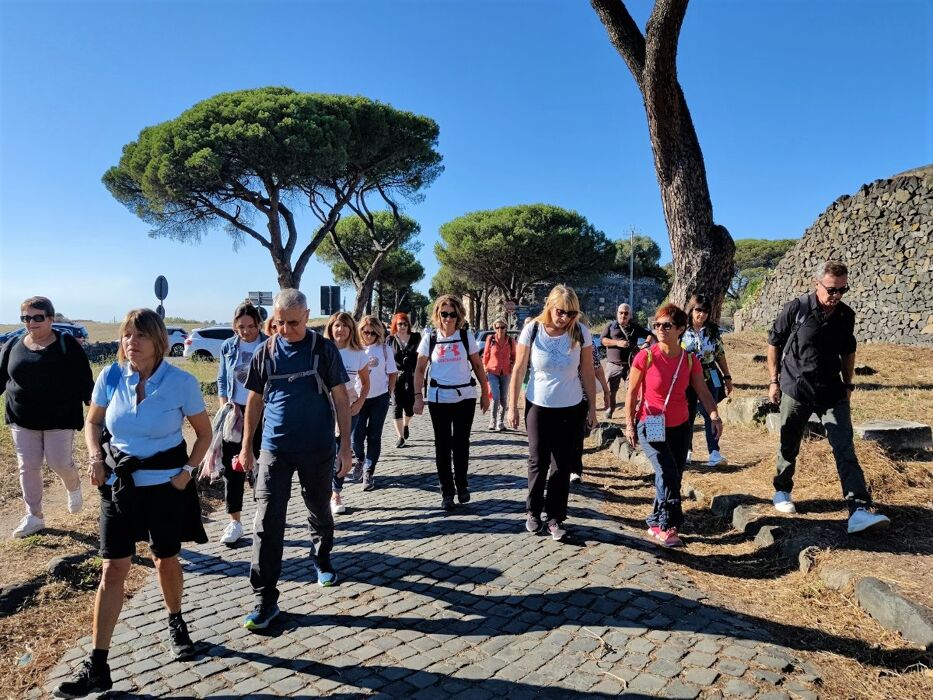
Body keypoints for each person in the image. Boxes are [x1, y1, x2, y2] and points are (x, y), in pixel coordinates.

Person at [55, 309, 211, 697]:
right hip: (118, 486)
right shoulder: (110, 376)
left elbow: (205, 434)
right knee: (112, 569)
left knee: (165, 560)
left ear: (158, 341)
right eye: (127, 334)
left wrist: (186, 472)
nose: (131, 341)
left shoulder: (181, 382)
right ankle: (98, 665)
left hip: (165, 488)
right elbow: (93, 422)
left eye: (140, 335)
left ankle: (176, 620)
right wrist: (95, 457)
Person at [238, 290, 353, 631]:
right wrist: (247, 446)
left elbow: (341, 399)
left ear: (307, 316)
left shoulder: (323, 350)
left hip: (317, 448)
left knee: (319, 509)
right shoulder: (265, 352)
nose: (285, 330)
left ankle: (321, 558)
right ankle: (265, 599)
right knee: (267, 520)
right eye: (279, 323)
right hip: (275, 449)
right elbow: (254, 401)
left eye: (293, 323)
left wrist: (346, 447)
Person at [767, 261, 890, 534]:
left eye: (842, 290)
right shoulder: (797, 308)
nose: (836, 295)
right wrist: (774, 381)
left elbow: (848, 351)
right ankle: (782, 490)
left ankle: (858, 509)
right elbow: (774, 342)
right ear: (817, 284)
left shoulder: (845, 315)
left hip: (832, 391)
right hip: (797, 388)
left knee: (844, 447)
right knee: (789, 442)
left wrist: (849, 384)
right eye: (832, 289)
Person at [624, 303, 722, 548]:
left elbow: (703, 392)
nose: (660, 329)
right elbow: (632, 393)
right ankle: (669, 525)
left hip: (680, 425)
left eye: (666, 325)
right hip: (651, 422)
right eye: (656, 325)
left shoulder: (689, 360)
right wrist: (629, 424)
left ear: (680, 329)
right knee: (666, 471)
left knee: (673, 475)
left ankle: (655, 520)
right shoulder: (645, 356)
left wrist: (714, 415)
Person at [508, 285, 597, 541]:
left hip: (571, 406)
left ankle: (555, 517)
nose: (565, 318)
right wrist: (512, 406)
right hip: (538, 405)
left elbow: (587, 372)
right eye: (561, 312)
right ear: (550, 307)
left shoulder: (581, 332)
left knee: (562, 465)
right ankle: (533, 511)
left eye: (572, 313)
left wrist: (592, 408)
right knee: (538, 460)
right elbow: (519, 369)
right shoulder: (533, 330)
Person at [0, 296, 93, 539]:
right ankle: (34, 516)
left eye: (37, 317)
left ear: (50, 318)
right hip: (21, 417)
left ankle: (73, 486)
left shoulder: (66, 344)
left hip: (59, 418)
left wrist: (94, 407)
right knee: (28, 466)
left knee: (59, 463)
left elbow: (84, 378)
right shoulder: (13, 344)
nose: (31, 322)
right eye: (26, 318)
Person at [414, 295, 490, 511]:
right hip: (439, 398)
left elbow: (478, 365)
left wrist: (485, 392)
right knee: (442, 445)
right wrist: (418, 396)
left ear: (459, 316)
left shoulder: (466, 336)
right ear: (438, 315)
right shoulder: (430, 338)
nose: (448, 318)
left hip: (465, 397)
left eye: (452, 314)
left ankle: (462, 484)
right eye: (444, 314)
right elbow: (419, 369)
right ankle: (447, 492)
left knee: (461, 443)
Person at [215, 302, 268, 546]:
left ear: (258, 324)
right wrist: (225, 407)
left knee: (261, 464)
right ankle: (234, 521)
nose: (246, 331)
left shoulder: (269, 344)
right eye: (241, 327)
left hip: (263, 412)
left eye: (251, 326)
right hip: (235, 413)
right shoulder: (228, 346)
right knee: (232, 467)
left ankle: (262, 512)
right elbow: (222, 379)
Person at [324, 312, 370, 514]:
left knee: (341, 449)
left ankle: (336, 493)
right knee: (323, 450)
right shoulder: (322, 350)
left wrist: (359, 403)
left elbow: (366, 383)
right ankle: (321, 490)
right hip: (323, 407)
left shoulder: (358, 353)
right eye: (336, 325)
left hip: (348, 407)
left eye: (345, 326)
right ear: (330, 328)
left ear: (351, 330)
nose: (340, 329)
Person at [682, 295, 734, 467]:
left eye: (705, 311)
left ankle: (714, 452)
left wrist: (727, 376)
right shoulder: (682, 329)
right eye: (698, 310)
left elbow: (719, 353)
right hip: (687, 375)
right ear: (691, 310)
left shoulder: (712, 330)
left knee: (711, 412)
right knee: (687, 414)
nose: (702, 314)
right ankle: (686, 450)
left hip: (710, 373)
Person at [353, 315, 398, 491]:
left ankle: (369, 472)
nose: (369, 335)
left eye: (373, 333)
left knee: (374, 436)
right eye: (366, 332)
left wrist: (389, 392)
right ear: (360, 331)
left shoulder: (385, 349)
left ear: (378, 333)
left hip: (379, 398)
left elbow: (392, 373)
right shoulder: (355, 349)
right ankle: (360, 458)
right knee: (356, 436)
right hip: (358, 399)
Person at [600, 303, 654, 419]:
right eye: (621, 313)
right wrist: (617, 343)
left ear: (630, 315)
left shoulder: (635, 327)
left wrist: (646, 343)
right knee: (611, 392)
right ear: (617, 313)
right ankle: (611, 409)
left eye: (626, 313)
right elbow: (603, 340)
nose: (623, 315)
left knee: (632, 391)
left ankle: (632, 414)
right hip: (613, 365)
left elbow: (650, 335)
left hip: (631, 366)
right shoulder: (610, 326)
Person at [388, 312, 421, 448]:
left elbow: (421, 357)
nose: (402, 326)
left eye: (405, 324)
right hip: (395, 377)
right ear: (395, 325)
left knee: (410, 408)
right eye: (400, 324)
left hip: (411, 377)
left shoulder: (416, 337)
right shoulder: (390, 340)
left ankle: (406, 424)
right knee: (396, 406)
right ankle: (400, 437)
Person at [483, 318, 515, 431]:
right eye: (497, 327)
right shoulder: (490, 339)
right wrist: (485, 368)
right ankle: (493, 420)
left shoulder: (510, 340)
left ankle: (500, 422)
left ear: (506, 328)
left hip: (505, 372)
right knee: (495, 396)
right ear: (494, 328)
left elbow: (514, 355)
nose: (500, 330)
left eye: (502, 327)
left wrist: (512, 366)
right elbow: (486, 354)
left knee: (503, 398)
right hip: (492, 371)